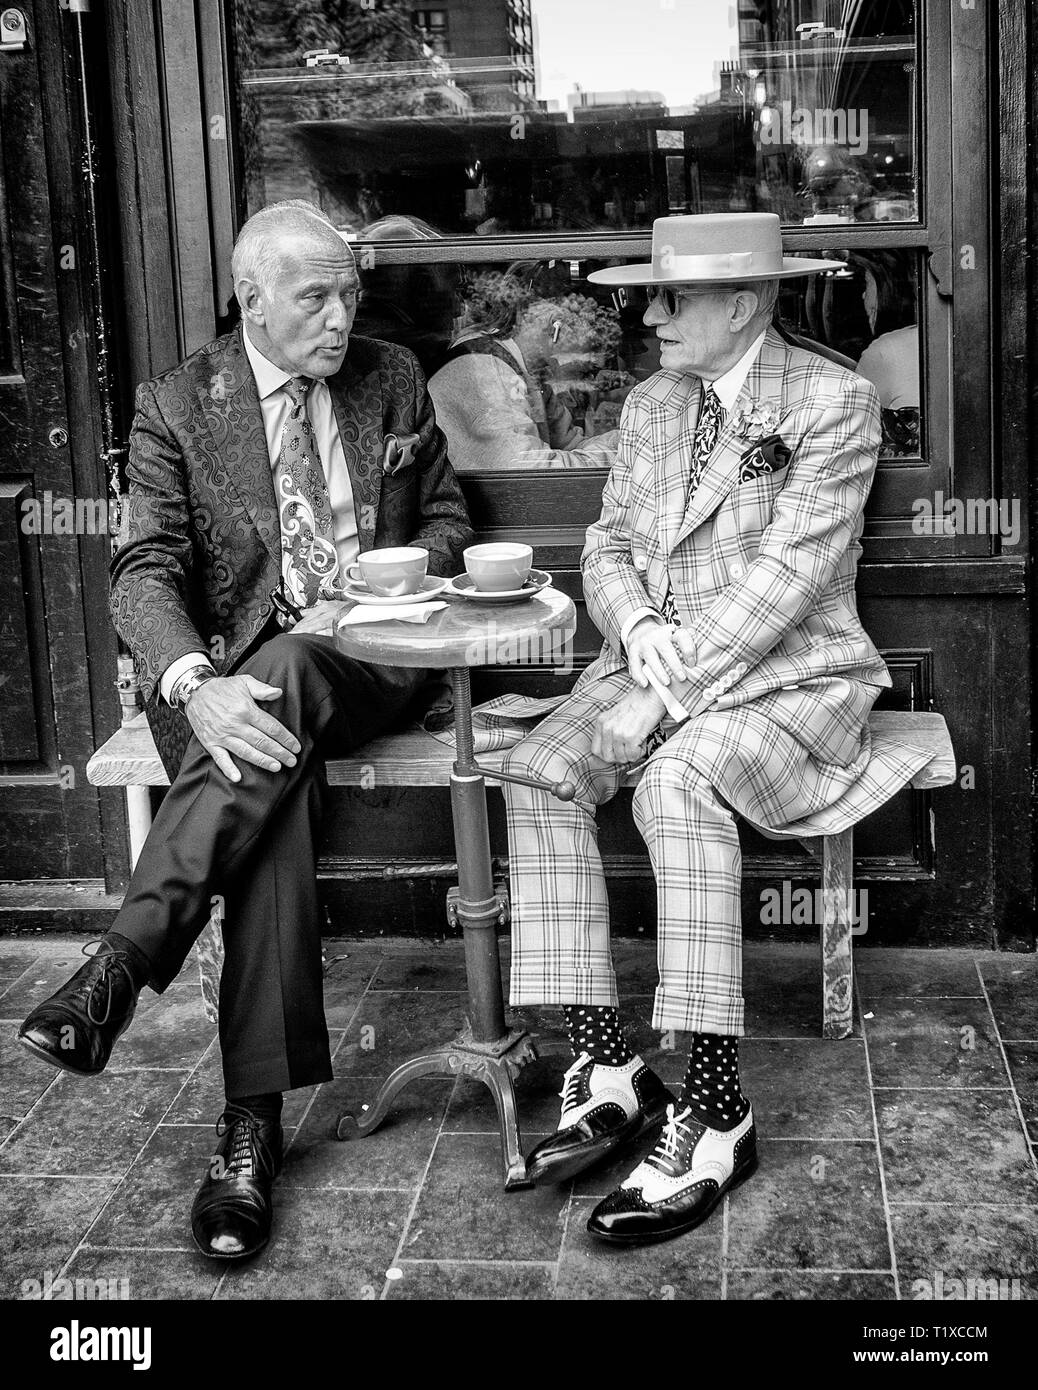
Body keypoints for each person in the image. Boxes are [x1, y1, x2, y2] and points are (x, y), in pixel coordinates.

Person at [17, 199, 472, 1261]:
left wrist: (393, 573)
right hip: (233, 695)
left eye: (351, 292)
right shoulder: (179, 404)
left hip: (370, 660)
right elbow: (142, 569)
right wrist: (189, 679)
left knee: (284, 686)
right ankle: (246, 1129)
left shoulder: (391, 377)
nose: (341, 316)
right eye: (316, 297)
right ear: (252, 299)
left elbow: (447, 519)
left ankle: (122, 970)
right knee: (267, 755)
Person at [499, 213, 936, 1246]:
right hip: (651, 661)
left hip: (789, 683)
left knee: (675, 781)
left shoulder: (835, 401)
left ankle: (714, 1109)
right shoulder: (654, 403)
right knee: (536, 767)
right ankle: (608, 1061)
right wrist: (638, 624)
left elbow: (788, 581)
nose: (646, 315)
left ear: (742, 306)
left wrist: (669, 686)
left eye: (670, 298)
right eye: (649, 295)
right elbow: (606, 540)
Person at [429, 267, 618, 471]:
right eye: (590, 340)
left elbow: (569, 445)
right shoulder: (483, 369)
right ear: (557, 325)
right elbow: (535, 472)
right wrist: (621, 453)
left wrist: (627, 440)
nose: (595, 359)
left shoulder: (528, 370)